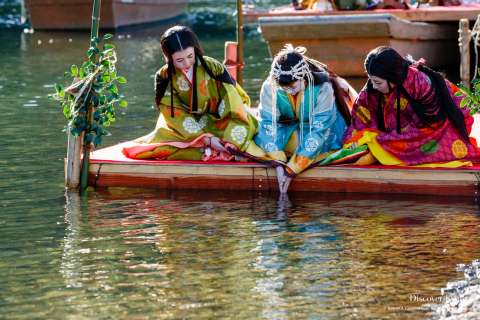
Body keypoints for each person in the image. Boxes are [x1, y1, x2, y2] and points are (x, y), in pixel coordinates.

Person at [122, 26, 257, 161]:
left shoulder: (211, 67)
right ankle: (206, 146)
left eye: (190, 56)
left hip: (219, 117)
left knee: (236, 135)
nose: (187, 63)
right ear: (169, 58)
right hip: (183, 124)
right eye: (179, 60)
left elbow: (231, 101)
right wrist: (206, 139)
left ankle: (212, 147)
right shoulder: (164, 77)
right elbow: (172, 113)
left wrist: (224, 137)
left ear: (195, 49)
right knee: (157, 148)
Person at [342, 46, 480, 167]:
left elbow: (433, 124)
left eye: (377, 82)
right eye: (370, 80)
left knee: (433, 150)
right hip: (404, 126)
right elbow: (361, 115)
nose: (373, 86)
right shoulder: (374, 84)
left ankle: (385, 149)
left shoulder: (421, 82)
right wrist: (358, 139)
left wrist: (383, 140)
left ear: (393, 78)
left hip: (440, 125)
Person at [246, 44, 357, 193]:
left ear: (303, 77)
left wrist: (292, 168)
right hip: (288, 129)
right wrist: (278, 162)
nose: (288, 91)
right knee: (267, 137)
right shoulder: (270, 86)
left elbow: (319, 129)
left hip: (322, 128)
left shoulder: (323, 87)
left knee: (320, 141)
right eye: (283, 87)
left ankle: (299, 156)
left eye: (292, 86)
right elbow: (268, 122)